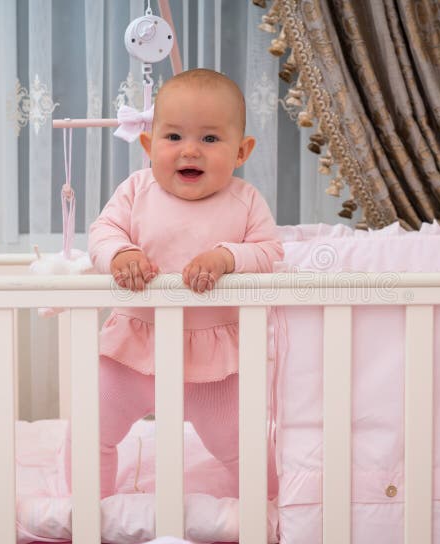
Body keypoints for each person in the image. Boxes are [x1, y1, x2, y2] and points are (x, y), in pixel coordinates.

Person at [88, 68, 283, 498]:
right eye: (173, 137)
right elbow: (102, 233)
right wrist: (122, 254)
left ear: (241, 151)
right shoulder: (135, 191)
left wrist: (226, 256)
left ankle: (273, 509)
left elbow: (270, 254)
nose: (189, 150)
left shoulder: (245, 201)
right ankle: (83, 511)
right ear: (148, 145)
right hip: (133, 351)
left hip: (213, 364)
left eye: (210, 139)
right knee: (89, 432)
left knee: (243, 446)